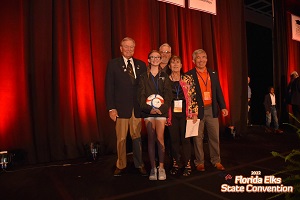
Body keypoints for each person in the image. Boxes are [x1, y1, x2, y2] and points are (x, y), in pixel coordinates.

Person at [105, 37, 147, 176]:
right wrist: (111, 108)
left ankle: (139, 163)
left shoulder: (141, 65)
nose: (129, 49)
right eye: (126, 46)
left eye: (131, 47)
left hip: (136, 109)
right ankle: (121, 164)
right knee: (121, 139)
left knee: (137, 138)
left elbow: (144, 88)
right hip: (121, 109)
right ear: (121, 48)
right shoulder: (113, 64)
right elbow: (109, 87)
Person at [185, 49, 228, 172]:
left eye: (203, 57)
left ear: (207, 59)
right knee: (197, 138)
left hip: (212, 109)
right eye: (198, 57)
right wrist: (190, 112)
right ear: (193, 60)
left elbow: (218, 91)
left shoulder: (213, 73)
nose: (201, 60)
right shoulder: (189, 75)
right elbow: (188, 96)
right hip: (197, 111)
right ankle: (199, 162)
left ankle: (216, 160)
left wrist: (223, 106)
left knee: (214, 137)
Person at [137, 50, 172, 180]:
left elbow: (168, 95)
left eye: (158, 57)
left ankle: (161, 168)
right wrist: (149, 109)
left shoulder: (164, 76)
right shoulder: (143, 77)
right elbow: (140, 96)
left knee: (160, 138)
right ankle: (153, 168)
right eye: (153, 57)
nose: (155, 59)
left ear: (160, 59)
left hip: (161, 112)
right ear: (149, 60)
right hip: (149, 112)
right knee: (151, 139)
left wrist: (161, 108)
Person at [166, 55, 198, 176]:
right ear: (169, 66)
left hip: (186, 113)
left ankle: (188, 164)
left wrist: (194, 113)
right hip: (171, 114)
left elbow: (193, 96)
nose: (175, 65)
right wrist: (164, 116)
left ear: (181, 65)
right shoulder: (166, 80)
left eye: (177, 62)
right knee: (173, 140)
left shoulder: (188, 78)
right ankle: (175, 163)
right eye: (172, 63)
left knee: (185, 140)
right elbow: (163, 99)